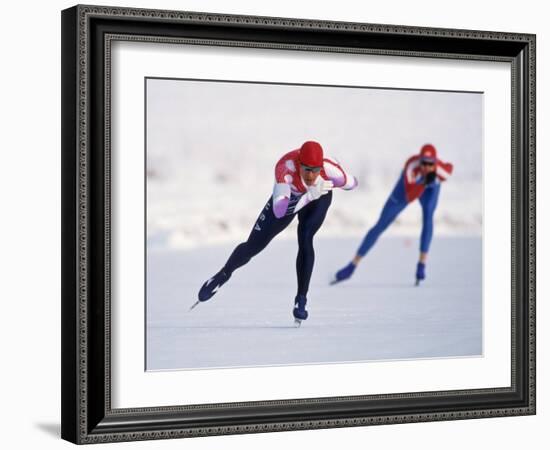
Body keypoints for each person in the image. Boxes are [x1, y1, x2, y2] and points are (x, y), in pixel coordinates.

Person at [194, 141, 358, 324]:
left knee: (305, 236)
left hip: (319, 197)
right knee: (253, 246)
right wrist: (309, 195)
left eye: (315, 170)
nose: (311, 175)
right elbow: (280, 211)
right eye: (306, 170)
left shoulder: (329, 169)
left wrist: (340, 179)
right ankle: (222, 275)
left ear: (321, 167)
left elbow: (352, 183)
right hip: (290, 200)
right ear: (299, 165)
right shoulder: (285, 168)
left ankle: (301, 300)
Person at [332, 143, 453, 286]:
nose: (426, 167)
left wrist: (433, 181)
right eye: (423, 163)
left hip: (429, 189)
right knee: (381, 224)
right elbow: (410, 196)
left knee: (428, 216)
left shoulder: (440, 170)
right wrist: (423, 182)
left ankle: (422, 263)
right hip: (407, 190)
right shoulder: (411, 167)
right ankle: (353, 265)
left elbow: (450, 168)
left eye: (430, 164)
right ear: (419, 161)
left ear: (435, 163)